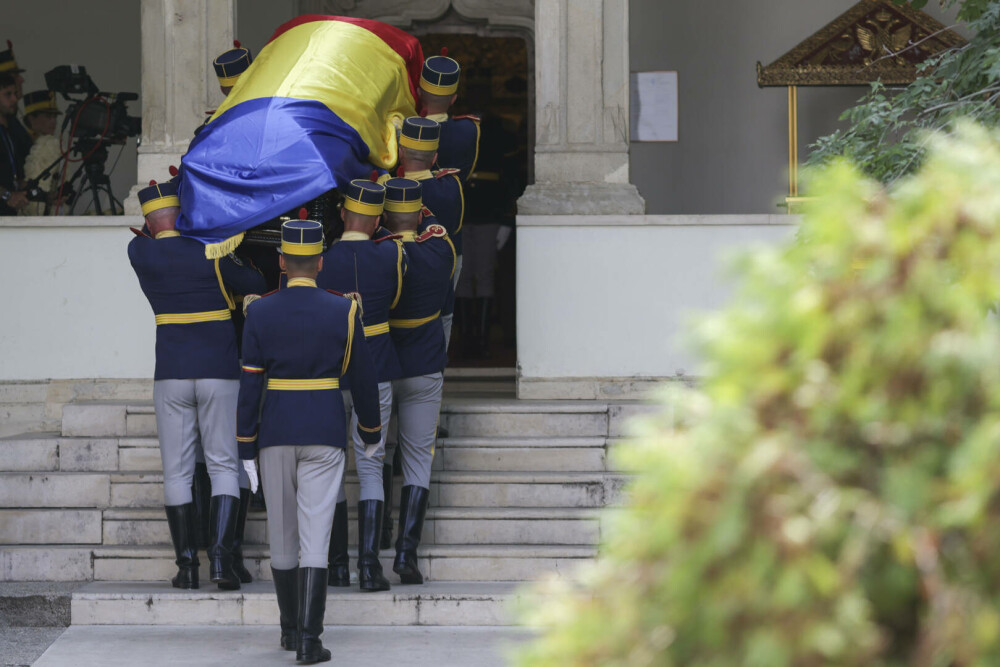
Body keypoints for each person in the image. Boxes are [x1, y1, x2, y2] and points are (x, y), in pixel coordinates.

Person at [237, 219, 382, 663]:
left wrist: (245, 445)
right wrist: (370, 431)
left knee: (282, 534)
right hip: (323, 428)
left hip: (276, 431)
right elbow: (363, 379)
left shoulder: (259, 311)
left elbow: (249, 387)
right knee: (316, 535)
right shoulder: (344, 311)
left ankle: (288, 629)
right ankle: (309, 641)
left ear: (282, 262)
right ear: (320, 263)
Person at [127, 180, 266, 592]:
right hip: (219, 370)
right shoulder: (212, 253)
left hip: (170, 373)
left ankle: (187, 567)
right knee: (224, 465)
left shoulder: (139, 253)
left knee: (178, 471)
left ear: (149, 222)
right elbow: (255, 284)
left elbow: (149, 239)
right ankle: (221, 563)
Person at [317, 180, 405, 592]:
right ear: (377, 219)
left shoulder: (322, 259)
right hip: (378, 366)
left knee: (333, 466)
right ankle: (369, 567)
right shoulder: (391, 254)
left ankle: (336, 566)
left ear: (342, 214)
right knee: (371, 464)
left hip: (332, 370)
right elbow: (397, 301)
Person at [383, 178, 456, 584]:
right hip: (424, 360)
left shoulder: (378, 254)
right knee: (416, 458)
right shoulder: (439, 249)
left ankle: (374, 535)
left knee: (375, 452)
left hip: (382, 361)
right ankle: (406, 552)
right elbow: (428, 221)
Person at [419, 52, 480, 183]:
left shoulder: (402, 129)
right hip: (454, 200)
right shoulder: (468, 129)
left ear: (418, 93)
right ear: (454, 99)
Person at [19, 90, 63, 215]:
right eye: (48, 117)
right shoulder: (19, 143)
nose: (53, 122)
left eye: (55, 117)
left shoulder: (52, 145)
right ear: (31, 118)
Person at [0, 73, 29, 215]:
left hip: (10, 216)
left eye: (15, 94)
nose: (14, 99)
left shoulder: (14, 131)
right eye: (8, 94)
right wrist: (7, 195)